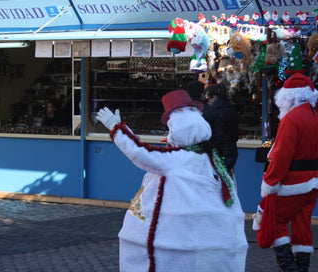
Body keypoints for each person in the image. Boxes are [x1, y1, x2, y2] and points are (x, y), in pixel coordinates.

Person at [96, 89, 248, 272]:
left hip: (176, 235)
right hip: (215, 236)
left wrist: (118, 129)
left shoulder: (175, 159)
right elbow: (231, 191)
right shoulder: (210, 159)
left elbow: (139, 152)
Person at [254, 73, 318, 272]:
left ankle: (290, 268)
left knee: (275, 221)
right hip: (313, 180)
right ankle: (301, 268)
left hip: (293, 183)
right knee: (302, 225)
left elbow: (282, 156)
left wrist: (269, 182)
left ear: (287, 97)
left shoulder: (291, 119)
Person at [204, 83, 239, 175]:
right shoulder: (231, 109)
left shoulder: (214, 112)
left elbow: (218, 135)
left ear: (214, 97)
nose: (207, 102)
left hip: (220, 152)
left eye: (208, 99)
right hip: (231, 150)